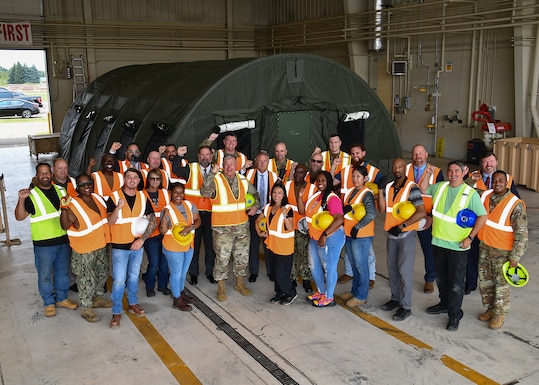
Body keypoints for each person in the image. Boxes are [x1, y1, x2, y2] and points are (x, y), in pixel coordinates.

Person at [421, 160, 487, 331]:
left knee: (456, 283)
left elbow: (482, 217)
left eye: (456, 170)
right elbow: (422, 189)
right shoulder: (440, 187)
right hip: (438, 242)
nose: (453, 174)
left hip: (458, 246)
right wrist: (428, 173)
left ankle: (454, 314)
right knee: (442, 279)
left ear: (463, 172)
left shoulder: (469, 193)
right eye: (450, 170)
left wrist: (471, 238)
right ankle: (444, 303)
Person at [15, 162, 78, 317]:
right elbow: (19, 216)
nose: (44, 175)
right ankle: (48, 302)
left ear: (51, 174)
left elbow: (68, 212)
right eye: (41, 173)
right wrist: (21, 199)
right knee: (44, 274)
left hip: (62, 240)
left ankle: (62, 299)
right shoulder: (32, 195)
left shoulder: (61, 190)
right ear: (37, 176)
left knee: (62, 273)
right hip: (43, 244)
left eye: (47, 173)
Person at [200, 154, 260, 302]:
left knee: (242, 257)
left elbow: (255, 195)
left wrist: (255, 206)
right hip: (222, 229)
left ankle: (240, 283)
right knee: (222, 259)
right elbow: (204, 192)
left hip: (242, 227)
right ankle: (221, 287)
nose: (229, 167)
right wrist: (212, 174)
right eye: (226, 164)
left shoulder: (243, 180)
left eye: (232, 164)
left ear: (236, 165)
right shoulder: (216, 180)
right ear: (222, 165)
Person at [476, 170, 528, 330]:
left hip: (503, 253)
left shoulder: (515, 204)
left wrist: (515, 257)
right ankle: (491, 308)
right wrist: (472, 179)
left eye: (501, 181)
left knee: (501, 285)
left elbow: (522, 233)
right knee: (486, 282)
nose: (497, 184)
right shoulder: (485, 196)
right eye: (494, 181)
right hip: (485, 248)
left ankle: (500, 313)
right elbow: (468, 189)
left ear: (507, 183)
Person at [464, 150, 520, 295]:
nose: (488, 165)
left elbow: (514, 200)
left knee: (492, 262)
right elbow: (463, 193)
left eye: (491, 161)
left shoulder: (507, 178)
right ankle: (470, 283)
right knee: (472, 256)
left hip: (495, 231)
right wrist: (470, 180)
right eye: (485, 162)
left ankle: (495, 288)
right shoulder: (472, 177)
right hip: (476, 225)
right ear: (481, 164)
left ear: (496, 162)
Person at [107, 168, 157, 328]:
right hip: (119, 247)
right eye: (129, 177)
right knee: (120, 280)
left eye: (135, 177)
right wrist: (117, 208)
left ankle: (133, 303)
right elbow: (110, 222)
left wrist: (142, 240)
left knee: (134, 277)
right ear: (124, 179)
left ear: (139, 181)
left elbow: (153, 221)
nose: (132, 180)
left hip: (137, 246)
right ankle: (116, 311)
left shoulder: (143, 197)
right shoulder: (114, 197)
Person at [378, 158, 427, 321]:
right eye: (394, 167)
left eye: (400, 166)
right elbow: (383, 209)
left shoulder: (412, 188)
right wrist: (379, 190)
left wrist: (402, 226)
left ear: (405, 169)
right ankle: (395, 299)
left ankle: (405, 307)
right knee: (392, 269)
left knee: (404, 272)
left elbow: (421, 212)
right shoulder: (389, 188)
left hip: (405, 235)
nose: (397, 169)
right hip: (391, 234)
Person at [60, 174, 112, 322]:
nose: (86, 186)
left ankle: (97, 298)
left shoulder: (97, 198)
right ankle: (86, 308)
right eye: (82, 185)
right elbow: (64, 225)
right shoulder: (73, 204)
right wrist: (63, 208)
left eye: (89, 183)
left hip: (100, 245)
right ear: (77, 188)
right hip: (84, 249)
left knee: (101, 273)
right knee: (85, 279)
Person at [337, 143, 386, 287]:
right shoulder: (346, 170)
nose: (355, 156)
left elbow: (383, 187)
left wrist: (373, 198)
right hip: (349, 219)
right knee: (349, 251)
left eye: (357, 153)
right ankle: (349, 273)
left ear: (363, 153)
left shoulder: (373, 171)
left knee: (366, 252)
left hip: (362, 224)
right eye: (352, 154)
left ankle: (370, 276)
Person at [297, 171, 345, 308]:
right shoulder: (316, 196)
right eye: (318, 180)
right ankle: (321, 292)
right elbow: (302, 212)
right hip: (314, 237)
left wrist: (324, 235)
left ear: (329, 182)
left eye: (324, 180)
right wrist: (300, 198)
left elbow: (339, 219)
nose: (320, 183)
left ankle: (329, 297)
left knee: (329, 267)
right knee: (313, 266)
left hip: (330, 237)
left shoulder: (332, 198)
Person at [176, 145, 217, 285]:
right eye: (202, 155)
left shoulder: (218, 171)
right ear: (198, 156)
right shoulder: (190, 168)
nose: (205, 157)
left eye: (208, 155)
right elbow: (176, 169)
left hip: (212, 214)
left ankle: (210, 272)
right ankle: (194, 273)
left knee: (210, 245)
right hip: (195, 214)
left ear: (212, 156)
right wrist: (179, 156)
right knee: (195, 244)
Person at [406, 144, 444, 294]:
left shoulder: (436, 172)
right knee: (405, 250)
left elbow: (441, 197)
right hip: (407, 217)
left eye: (421, 154)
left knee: (429, 250)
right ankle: (404, 277)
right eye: (415, 154)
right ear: (412, 155)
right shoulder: (406, 169)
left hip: (426, 217)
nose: (418, 157)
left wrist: (432, 217)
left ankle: (430, 279)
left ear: (427, 155)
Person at [160, 183, 201, 311]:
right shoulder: (167, 209)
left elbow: (198, 220)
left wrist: (191, 227)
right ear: (171, 193)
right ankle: (177, 299)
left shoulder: (189, 205)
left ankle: (181, 292)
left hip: (188, 245)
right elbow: (162, 231)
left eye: (181, 192)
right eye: (175, 192)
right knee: (176, 273)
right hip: (173, 246)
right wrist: (164, 217)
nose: (178, 195)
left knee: (183, 272)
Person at [340, 166, 377, 308]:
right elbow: (351, 211)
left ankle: (362, 296)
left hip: (361, 236)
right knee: (355, 265)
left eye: (358, 176)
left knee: (361, 266)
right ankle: (355, 291)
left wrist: (358, 227)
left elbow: (371, 214)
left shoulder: (366, 193)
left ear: (365, 178)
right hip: (350, 234)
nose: (355, 179)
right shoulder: (351, 191)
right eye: (354, 176)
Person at [255, 182, 296, 305]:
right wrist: (259, 232)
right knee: (274, 273)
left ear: (283, 195)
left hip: (284, 248)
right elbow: (257, 221)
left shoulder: (288, 209)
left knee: (280, 274)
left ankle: (291, 293)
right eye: (274, 192)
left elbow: (290, 227)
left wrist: (284, 215)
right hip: (271, 246)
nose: (276, 195)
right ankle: (279, 293)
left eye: (279, 193)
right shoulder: (267, 207)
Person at [245, 150, 280, 282]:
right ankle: (253, 272)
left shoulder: (274, 176)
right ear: (255, 161)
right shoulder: (249, 174)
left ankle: (271, 271)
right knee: (253, 243)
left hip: (268, 214)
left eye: (264, 161)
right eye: (259, 161)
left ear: (268, 162)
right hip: (253, 214)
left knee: (268, 243)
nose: (262, 163)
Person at [284, 163, 316, 293]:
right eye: (296, 172)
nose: (298, 175)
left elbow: (313, 207)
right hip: (290, 225)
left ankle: (305, 279)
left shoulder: (312, 188)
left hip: (304, 226)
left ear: (306, 174)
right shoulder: (287, 185)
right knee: (291, 252)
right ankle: (292, 277)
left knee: (304, 253)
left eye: (301, 172)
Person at [142, 168, 171, 297]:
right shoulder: (141, 194)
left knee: (164, 262)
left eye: (157, 179)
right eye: (152, 178)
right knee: (154, 262)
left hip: (165, 233)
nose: (155, 181)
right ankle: (150, 286)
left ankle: (163, 285)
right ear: (148, 180)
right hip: (151, 234)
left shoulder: (165, 193)